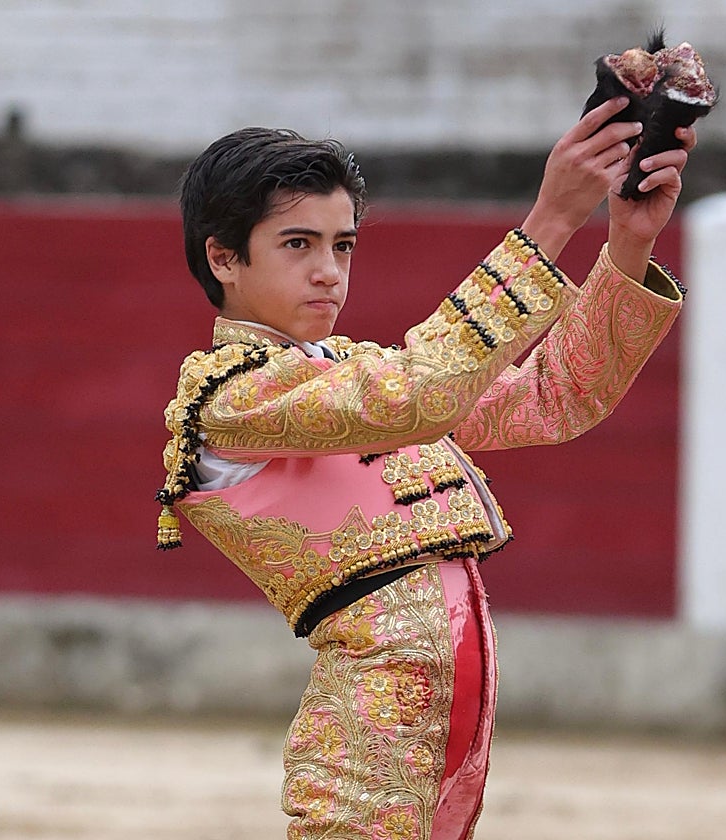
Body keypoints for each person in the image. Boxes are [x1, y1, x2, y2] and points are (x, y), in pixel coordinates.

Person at [155, 96, 694, 840]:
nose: (328, 273)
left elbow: (554, 397)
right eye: (297, 245)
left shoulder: (357, 371)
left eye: (342, 246)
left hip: (453, 713)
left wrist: (627, 243)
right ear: (223, 256)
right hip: (372, 722)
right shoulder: (231, 394)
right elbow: (424, 392)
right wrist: (550, 222)